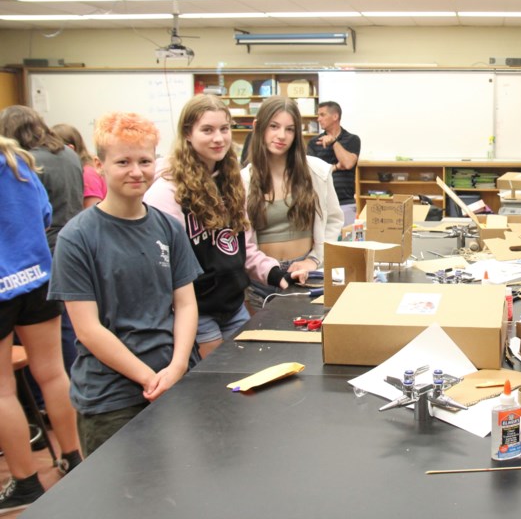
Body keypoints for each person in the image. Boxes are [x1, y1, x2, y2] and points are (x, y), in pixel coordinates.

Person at [47, 112, 202, 457]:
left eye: (145, 160)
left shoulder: (168, 228)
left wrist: (176, 368)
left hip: (174, 381)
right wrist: (149, 378)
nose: (136, 171)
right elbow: (87, 330)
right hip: (111, 398)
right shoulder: (78, 238)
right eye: (123, 162)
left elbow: (187, 304)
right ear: (99, 165)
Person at [144, 94, 291, 358]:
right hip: (196, 312)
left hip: (233, 306)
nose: (219, 138)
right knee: (214, 384)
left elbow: (242, 247)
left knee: (243, 371)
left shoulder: (233, 183)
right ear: (188, 133)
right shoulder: (166, 193)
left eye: (224, 129)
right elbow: (162, 269)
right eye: (207, 130)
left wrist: (276, 273)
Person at [0, 137, 81, 514]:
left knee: (2, 391)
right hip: (36, 276)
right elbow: (45, 214)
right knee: (52, 374)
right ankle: (74, 459)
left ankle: (26, 483)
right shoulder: (16, 161)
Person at [0, 106, 83, 387]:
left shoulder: (23, 162)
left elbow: (40, 216)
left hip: (40, 249)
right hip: (70, 243)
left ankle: (35, 401)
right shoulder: (70, 154)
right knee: (66, 337)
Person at [241, 97, 344, 308]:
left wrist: (314, 260)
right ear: (258, 127)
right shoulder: (243, 180)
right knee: (262, 339)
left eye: (289, 129)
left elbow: (333, 221)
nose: (281, 136)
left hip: (305, 276)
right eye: (274, 126)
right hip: (261, 282)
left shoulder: (316, 171)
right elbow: (242, 242)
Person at [306, 101, 361, 226]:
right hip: (321, 204)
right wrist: (335, 167)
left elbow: (347, 164)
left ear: (335, 116)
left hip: (345, 203)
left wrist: (334, 142)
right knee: (324, 244)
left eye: (322, 115)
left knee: (347, 243)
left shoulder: (353, 139)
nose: (318, 119)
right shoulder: (314, 142)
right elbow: (312, 171)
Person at [52, 123, 106, 208]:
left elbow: (93, 212)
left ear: (69, 149)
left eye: (53, 150)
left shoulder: (87, 174)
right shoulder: (79, 170)